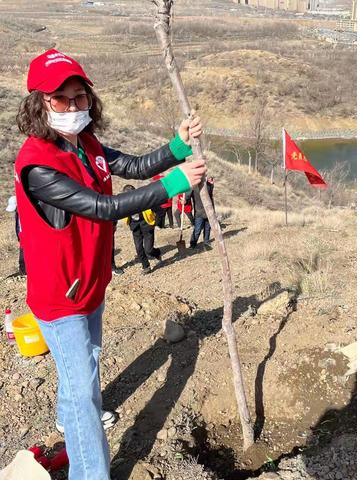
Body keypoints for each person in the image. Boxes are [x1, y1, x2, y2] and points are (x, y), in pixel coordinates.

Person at [14, 49, 205, 480]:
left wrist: (176, 145)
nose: (75, 107)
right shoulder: (38, 165)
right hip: (60, 296)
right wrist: (175, 183)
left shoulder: (86, 143)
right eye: (62, 99)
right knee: (85, 395)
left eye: (81, 97)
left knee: (86, 361)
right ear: (40, 103)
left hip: (88, 283)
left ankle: (68, 416)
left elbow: (133, 166)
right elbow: (102, 208)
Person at [122, 184, 160, 274]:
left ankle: (157, 252)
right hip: (135, 226)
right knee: (138, 248)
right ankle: (146, 266)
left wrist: (157, 222)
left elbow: (159, 210)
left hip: (147, 224)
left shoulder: (144, 199)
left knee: (148, 250)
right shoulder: (124, 203)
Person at [188, 176, 214, 249]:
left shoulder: (208, 185)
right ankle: (193, 244)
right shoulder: (194, 187)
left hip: (208, 211)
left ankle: (206, 241)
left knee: (207, 228)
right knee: (197, 229)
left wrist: (212, 185)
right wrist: (185, 201)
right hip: (199, 212)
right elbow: (187, 197)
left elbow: (211, 196)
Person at [5, 195, 26, 275]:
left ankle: (25, 274)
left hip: (27, 238)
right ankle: (23, 272)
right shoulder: (18, 213)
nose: (15, 211)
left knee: (25, 258)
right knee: (22, 259)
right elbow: (18, 226)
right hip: (21, 237)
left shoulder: (26, 212)